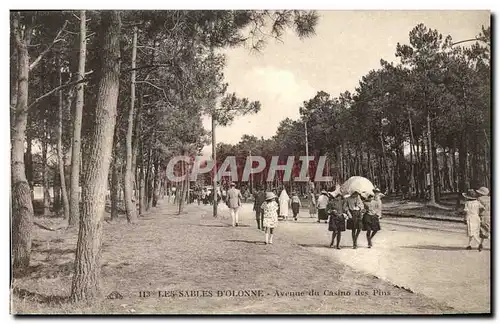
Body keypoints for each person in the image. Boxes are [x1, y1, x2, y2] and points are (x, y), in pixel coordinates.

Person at [476, 187, 490, 252]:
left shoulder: (479, 199)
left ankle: (481, 244)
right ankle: (481, 244)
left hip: (483, 216)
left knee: (483, 231)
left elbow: (477, 208)